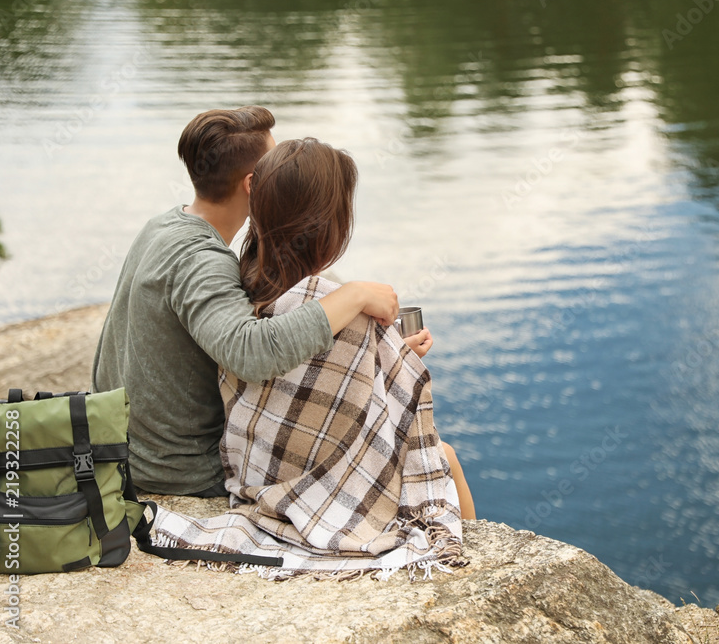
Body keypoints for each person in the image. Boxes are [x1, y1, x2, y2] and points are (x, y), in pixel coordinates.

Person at [92, 106, 400, 497]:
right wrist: (354, 294)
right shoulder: (202, 261)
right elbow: (252, 354)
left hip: (126, 449)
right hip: (181, 471)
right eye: (275, 164)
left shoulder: (163, 226)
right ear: (254, 184)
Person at [226, 136, 475, 520]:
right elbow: (374, 418)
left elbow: (312, 386)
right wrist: (397, 360)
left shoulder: (241, 286)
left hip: (256, 469)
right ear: (330, 227)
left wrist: (391, 351)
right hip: (320, 482)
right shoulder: (336, 306)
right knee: (447, 457)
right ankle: (469, 553)